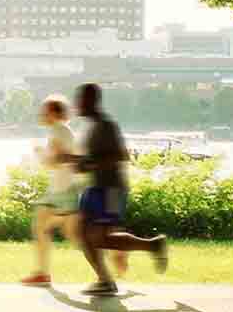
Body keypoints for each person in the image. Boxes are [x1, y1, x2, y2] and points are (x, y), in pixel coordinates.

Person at [71, 83, 168, 296]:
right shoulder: (91, 126)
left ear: (91, 101)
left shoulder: (106, 125)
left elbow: (120, 155)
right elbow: (93, 158)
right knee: (90, 236)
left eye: (81, 99)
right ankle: (152, 247)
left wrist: (89, 163)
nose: (76, 103)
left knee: (91, 236)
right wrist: (77, 162)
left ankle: (106, 280)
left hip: (109, 189)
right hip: (98, 187)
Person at [21, 95, 84, 286]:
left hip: (63, 191)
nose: (41, 114)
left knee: (73, 236)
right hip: (59, 190)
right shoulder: (62, 131)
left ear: (55, 113)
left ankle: (113, 253)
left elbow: (54, 163)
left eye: (45, 111)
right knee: (42, 227)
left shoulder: (59, 132)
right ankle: (42, 273)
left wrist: (39, 152)